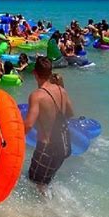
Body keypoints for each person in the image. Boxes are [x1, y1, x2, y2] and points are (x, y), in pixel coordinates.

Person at [24, 57, 74, 191]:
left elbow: (28, 125)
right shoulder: (61, 90)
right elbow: (70, 113)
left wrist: (11, 140)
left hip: (46, 149)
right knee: (45, 184)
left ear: (35, 73)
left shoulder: (37, 96)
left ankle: (40, 211)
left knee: (33, 185)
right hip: (63, 147)